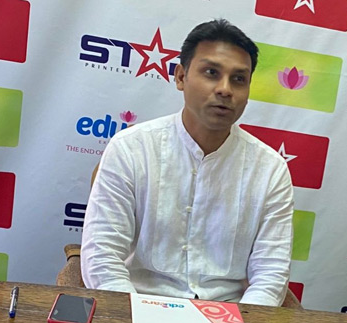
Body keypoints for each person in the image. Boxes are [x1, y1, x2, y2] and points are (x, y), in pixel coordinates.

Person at [80, 19, 294, 306]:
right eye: (211, 73)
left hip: (229, 314)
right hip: (140, 305)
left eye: (238, 79)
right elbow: (102, 258)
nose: (225, 89)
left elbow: (271, 275)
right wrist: (136, 317)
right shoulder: (131, 149)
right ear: (181, 77)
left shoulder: (270, 170)